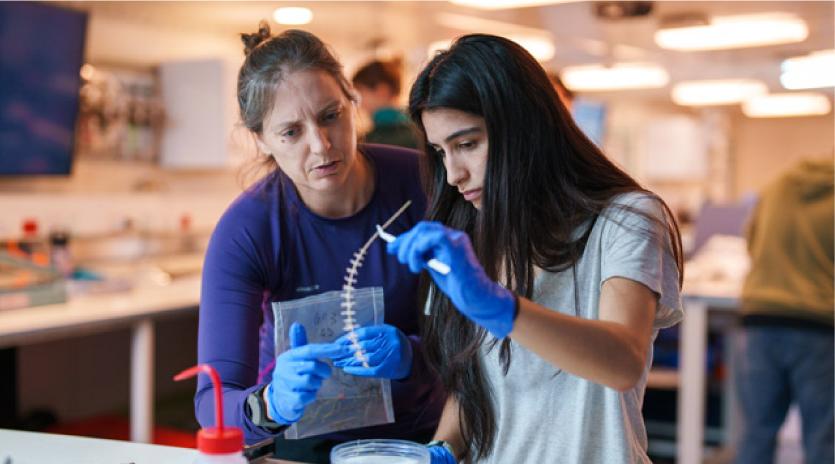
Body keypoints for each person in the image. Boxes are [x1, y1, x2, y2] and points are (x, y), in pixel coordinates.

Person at [380, 34, 683, 463]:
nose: (453, 175)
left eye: (467, 144)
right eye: (440, 152)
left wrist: (500, 308)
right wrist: (440, 452)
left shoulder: (626, 219)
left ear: (525, 127)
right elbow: (474, 391)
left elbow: (623, 360)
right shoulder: (475, 236)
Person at [195, 23, 444, 463]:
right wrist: (269, 403)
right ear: (261, 140)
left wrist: (415, 357)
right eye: (291, 132)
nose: (322, 144)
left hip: (426, 438)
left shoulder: (424, 185)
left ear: (353, 103)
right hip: (301, 446)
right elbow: (213, 405)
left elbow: (489, 341)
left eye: (331, 115)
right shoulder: (248, 229)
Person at [734, 158, 834, 464]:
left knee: (756, 431)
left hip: (761, 318)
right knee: (822, 436)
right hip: (819, 322)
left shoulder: (776, 186)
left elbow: (751, 241)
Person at [351, 59, 419, 148]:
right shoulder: (419, 128)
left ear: (382, 91)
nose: (357, 101)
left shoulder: (371, 141)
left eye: (360, 92)